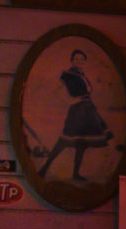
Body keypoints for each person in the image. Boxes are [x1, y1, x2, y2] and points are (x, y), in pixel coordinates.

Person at [37, 49, 115, 183]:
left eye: (82, 59)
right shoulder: (69, 74)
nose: (79, 61)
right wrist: (70, 101)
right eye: (77, 59)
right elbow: (56, 90)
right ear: (72, 61)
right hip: (78, 110)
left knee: (82, 143)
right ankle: (44, 168)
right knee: (65, 140)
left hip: (88, 109)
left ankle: (75, 174)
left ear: (84, 62)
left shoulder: (81, 75)